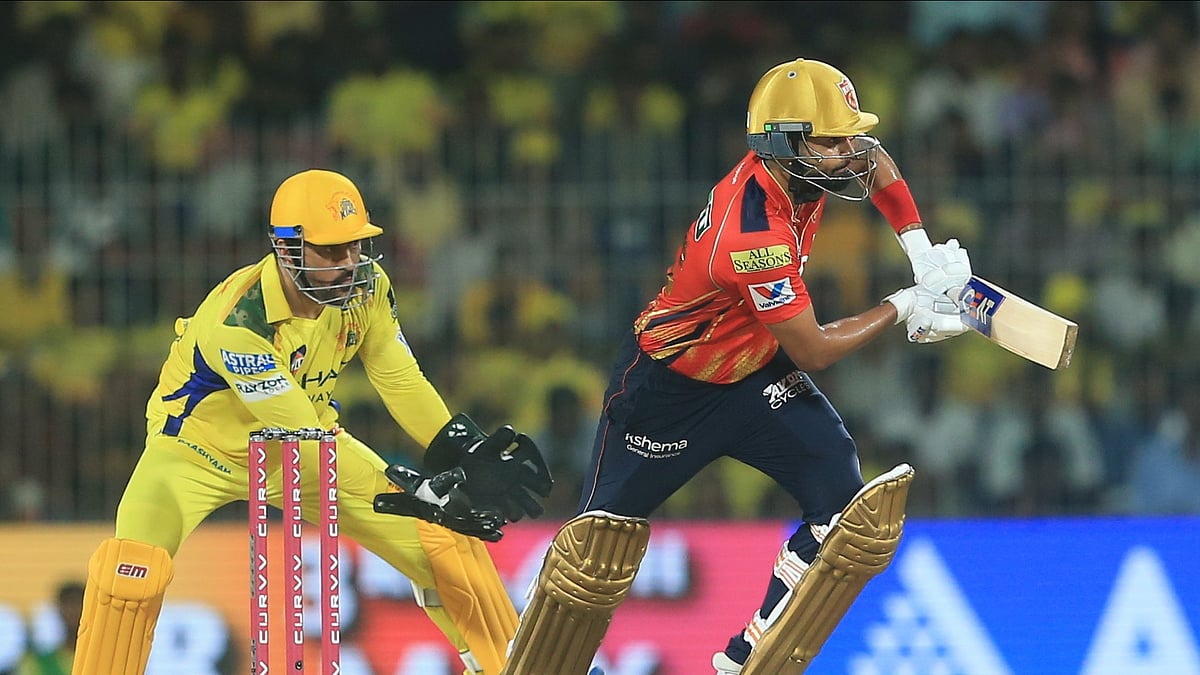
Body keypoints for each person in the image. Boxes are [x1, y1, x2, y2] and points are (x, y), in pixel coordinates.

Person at [500, 58, 972, 675]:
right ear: (784, 142)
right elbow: (816, 350)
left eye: (845, 137)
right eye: (832, 142)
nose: (847, 154)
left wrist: (920, 251)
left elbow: (877, 159)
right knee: (598, 546)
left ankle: (746, 655)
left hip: (751, 376)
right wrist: (906, 303)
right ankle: (541, 657)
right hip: (666, 391)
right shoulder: (752, 235)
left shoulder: (804, 171)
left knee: (839, 496)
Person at [71, 169, 551, 675]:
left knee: (445, 542)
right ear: (286, 249)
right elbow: (296, 426)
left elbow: (399, 377)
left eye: (355, 247)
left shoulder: (367, 289)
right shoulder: (239, 324)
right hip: (193, 454)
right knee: (131, 577)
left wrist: (461, 448)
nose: (349, 264)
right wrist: (419, 492)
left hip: (308, 443)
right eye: (331, 251)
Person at [17, 581, 85, 675]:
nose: (73, 611)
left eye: (78, 603)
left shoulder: (101, 658)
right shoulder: (40, 663)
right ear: (58, 609)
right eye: (68, 605)